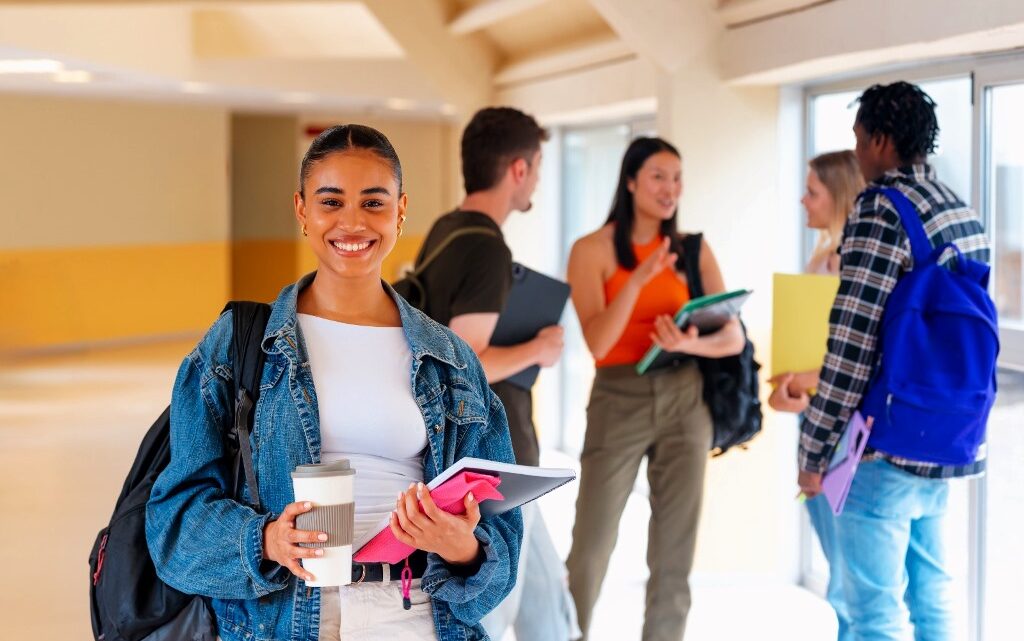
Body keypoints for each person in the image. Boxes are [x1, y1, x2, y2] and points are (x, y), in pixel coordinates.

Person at [146, 124, 523, 641]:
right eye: (331, 201)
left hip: (416, 618)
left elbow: (501, 550)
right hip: (283, 620)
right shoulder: (238, 345)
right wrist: (267, 541)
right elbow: (172, 527)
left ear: (400, 209)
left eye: (373, 203)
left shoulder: (450, 360)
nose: (352, 223)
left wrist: (463, 548)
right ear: (302, 210)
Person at [793, 82, 989, 641]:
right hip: (946, 436)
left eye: (858, 139)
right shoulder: (960, 209)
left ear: (880, 139)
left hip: (881, 444)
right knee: (933, 601)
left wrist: (813, 452)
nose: (857, 154)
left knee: (872, 616)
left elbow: (852, 344)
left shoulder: (881, 210)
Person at [407, 106, 579, 641]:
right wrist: (539, 347)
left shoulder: (445, 230)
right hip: (487, 464)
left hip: (472, 456)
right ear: (519, 169)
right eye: (538, 166)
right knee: (492, 608)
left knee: (548, 604)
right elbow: (468, 360)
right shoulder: (486, 248)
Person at [565, 137, 745, 641]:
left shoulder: (693, 249)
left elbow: (732, 336)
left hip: (687, 398)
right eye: (659, 177)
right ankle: (567, 632)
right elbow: (598, 342)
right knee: (591, 544)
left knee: (674, 550)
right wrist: (641, 276)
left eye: (678, 178)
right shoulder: (591, 250)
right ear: (630, 181)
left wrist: (690, 342)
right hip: (619, 397)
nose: (671, 189)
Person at [768, 150, 864, 641]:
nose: (803, 199)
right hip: (818, 420)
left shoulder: (850, 265)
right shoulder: (821, 259)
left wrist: (803, 381)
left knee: (848, 576)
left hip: (845, 433)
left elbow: (852, 363)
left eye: (813, 191)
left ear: (840, 195)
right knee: (841, 565)